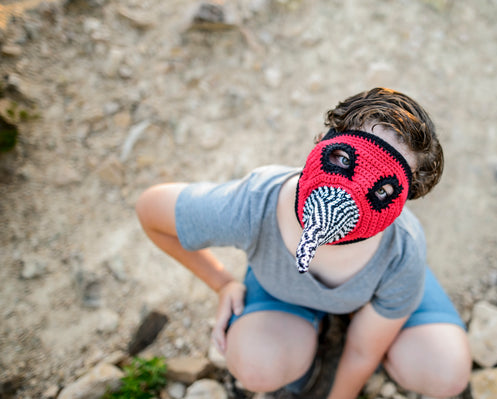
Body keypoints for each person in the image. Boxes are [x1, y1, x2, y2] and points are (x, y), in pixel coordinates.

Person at [136, 87, 472, 398]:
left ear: (400, 206)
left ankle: (369, 314)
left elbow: (362, 350)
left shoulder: (401, 249)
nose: (349, 192)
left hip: (384, 279)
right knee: (256, 366)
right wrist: (221, 283)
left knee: (447, 373)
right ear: (318, 142)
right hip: (279, 286)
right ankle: (305, 343)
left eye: (382, 190)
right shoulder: (254, 203)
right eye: (342, 158)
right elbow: (151, 211)